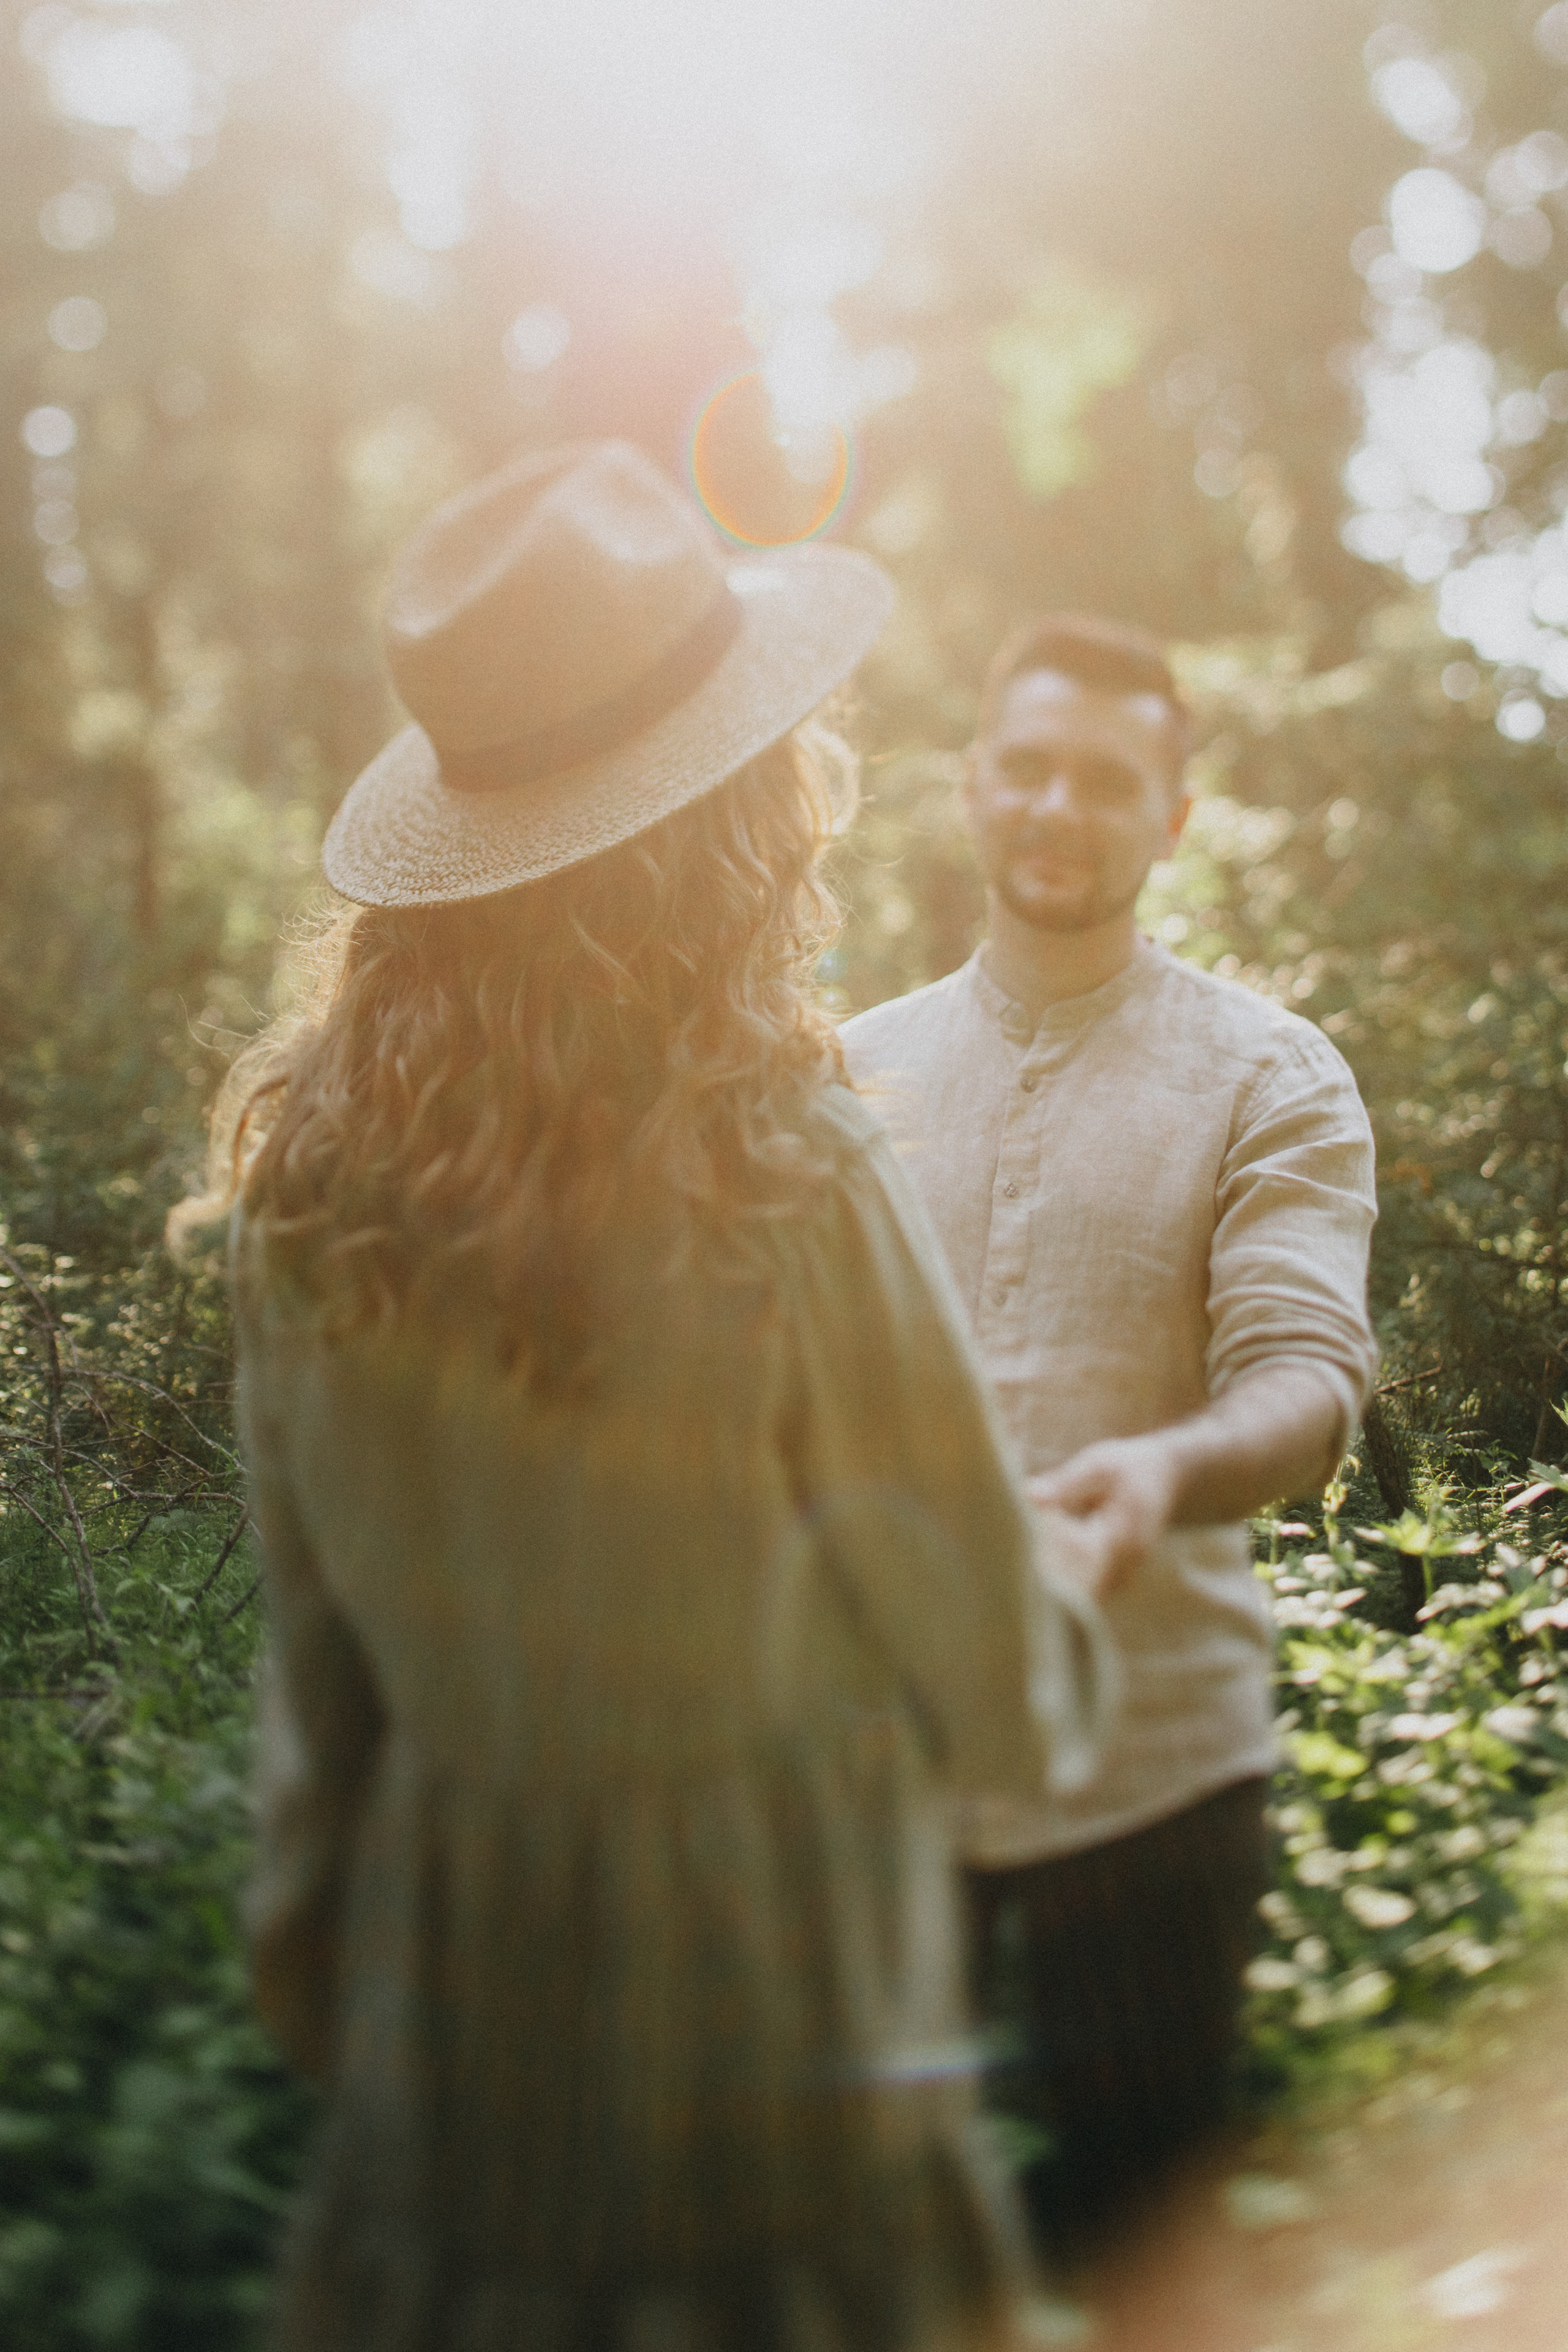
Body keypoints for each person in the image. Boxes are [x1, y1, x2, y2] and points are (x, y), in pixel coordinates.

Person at [173, 447, 1109, 2352]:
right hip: (770, 1987)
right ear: (733, 815)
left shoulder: (309, 1200)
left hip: (458, 1984)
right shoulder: (788, 1173)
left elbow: (322, 1666)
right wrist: (1068, 1600)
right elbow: (999, 1677)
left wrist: (314, 1945)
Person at [840, 612, 1378, 2245]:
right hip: (875, 1769)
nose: (1059, 808)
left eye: (1106, 779)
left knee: (1150, 2245)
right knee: (863, 2258)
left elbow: (1306, 1378)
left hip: (1154, 1769)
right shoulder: (841, 1079)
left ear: (1173, 818)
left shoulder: (1267, 1076)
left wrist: (1169, 1469)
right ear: (969, 785)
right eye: (1028, 768)